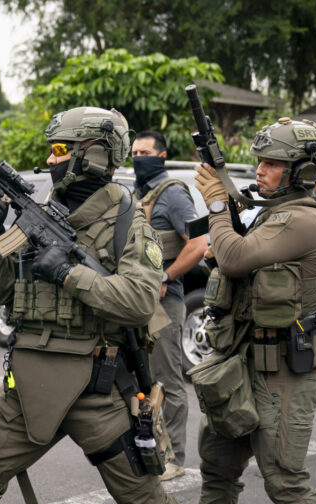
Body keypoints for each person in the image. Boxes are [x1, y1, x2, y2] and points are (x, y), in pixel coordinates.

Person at [0, 107, 231, 504]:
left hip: (97, 387)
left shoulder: (130, 221)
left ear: (95, 155)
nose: (49, 160)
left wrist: (67, 273)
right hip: (28, 386)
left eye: (60, 151)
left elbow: (135, 301)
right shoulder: (37, 210)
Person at [191, 117, 316, 504]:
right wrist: (228, 201)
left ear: (301, 171)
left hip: (287, 367)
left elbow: (232, 257)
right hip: (247, 357)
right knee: (218, 464)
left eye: (273, 163)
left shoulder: (304, 219)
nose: (261, 171)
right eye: (260, 161)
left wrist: (217, 203)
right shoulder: (273, 213)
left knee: (282, 475)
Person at [130, 129, 206, 481]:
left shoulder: (173, 194)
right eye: (133, 151)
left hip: (163, 304)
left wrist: (167, 276)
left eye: (144, 151)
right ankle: (147, 452)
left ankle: (174, 457)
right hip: (133, 301)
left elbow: (199, 243)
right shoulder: (135, 195)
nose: (138, 157)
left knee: (167, 380)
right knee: (137, 381)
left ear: (160, 156)